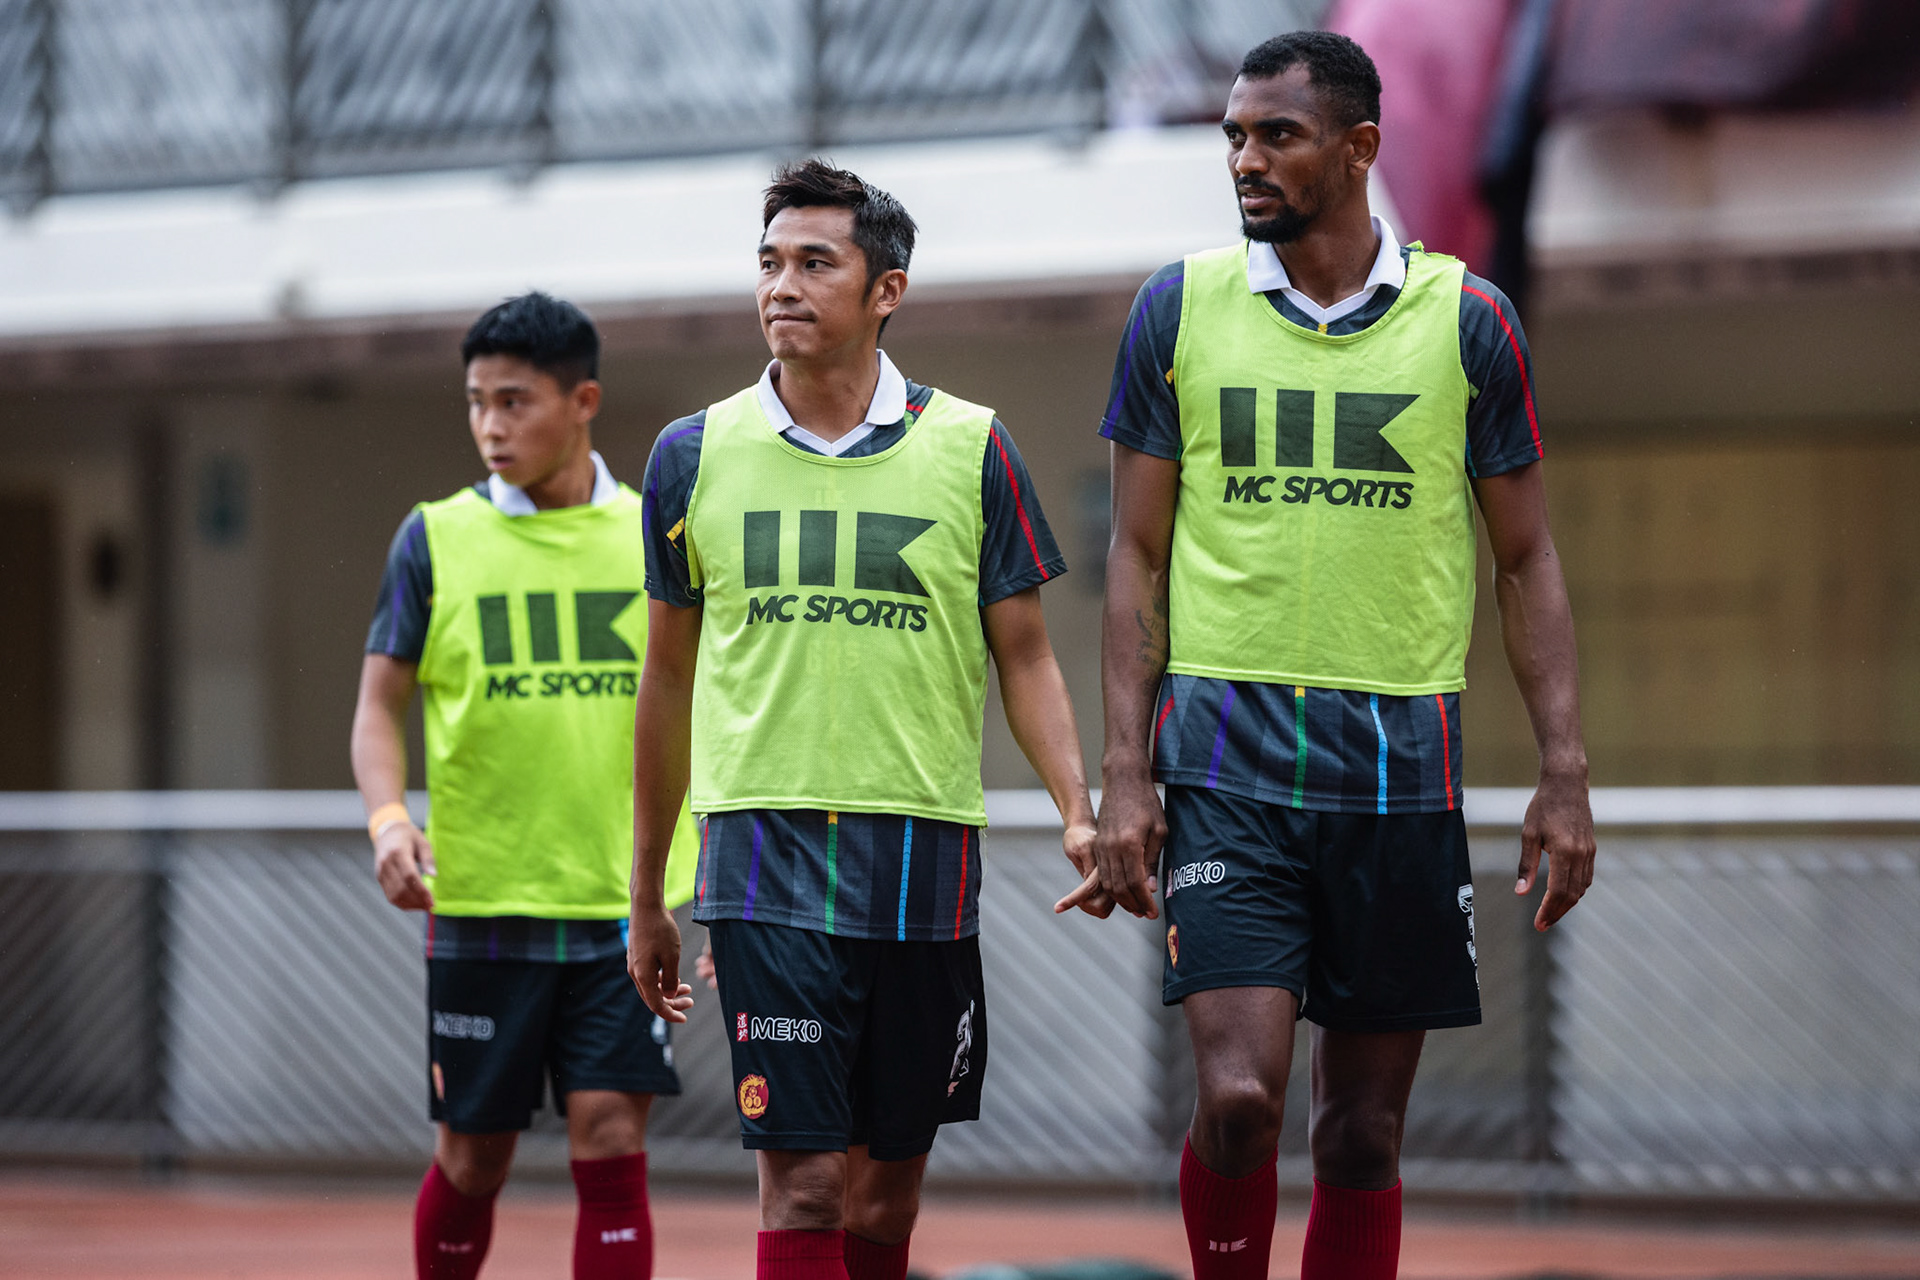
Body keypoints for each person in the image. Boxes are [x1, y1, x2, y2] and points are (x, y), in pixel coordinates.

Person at [1092, 31, 1596, 1280]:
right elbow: (1136, 556)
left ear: (1361, 146)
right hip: (1226, 767)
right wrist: (1125, 770)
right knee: (1241, 1100)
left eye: (1277, 134)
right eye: (1234, 137)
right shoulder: (1179, 307)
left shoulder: (1471, 323)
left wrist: (1565, 768)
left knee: (1362, 1133)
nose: (1245, 160)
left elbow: (1526, 559)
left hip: (1398, 778)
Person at [625, 159, 1101, 1280]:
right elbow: (666, 684)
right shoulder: (690, 455)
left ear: (887, 289)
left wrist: (1079, 806)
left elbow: (1025, 653)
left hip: (923, 854)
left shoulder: (975, 447)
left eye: (814, 263)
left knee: (884, 1197)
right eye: (768, 263)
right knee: (803, 1185)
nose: (781, 286)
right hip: (762, 855)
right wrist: (649, 890)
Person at [351, 292, 698, 1280]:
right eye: (476, 403)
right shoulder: (432, 538)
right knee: (473, 1153)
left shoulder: (654, 534)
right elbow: (378, 707)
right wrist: (387, 818)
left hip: (621, 906)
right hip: (482, 901)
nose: (491, 426)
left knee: (610, 1137)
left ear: (582, 399)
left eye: (515, 401)